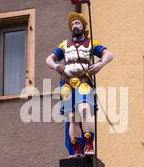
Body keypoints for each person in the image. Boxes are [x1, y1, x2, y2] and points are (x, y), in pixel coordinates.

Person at [46, 12, 113, 157]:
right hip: (68, 82)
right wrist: (58, 67)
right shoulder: (64, 45)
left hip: (84, 81)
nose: (74, 26)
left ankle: (88, 144)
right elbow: (49, 59)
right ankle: (76, 149)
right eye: (73, 24)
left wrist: (100, 65)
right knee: (72, 117)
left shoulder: (91, 43)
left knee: (84, 109)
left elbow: (108, 55)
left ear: (83, 26)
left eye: (77, 23)